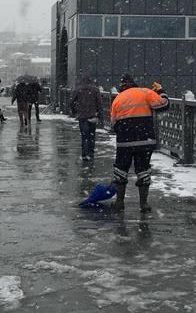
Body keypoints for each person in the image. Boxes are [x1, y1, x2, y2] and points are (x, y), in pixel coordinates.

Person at [110, 73, 169, 212]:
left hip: (125, 142)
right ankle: (144, 204)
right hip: (145, 139)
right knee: (143, 170)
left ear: (121, 87)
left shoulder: (118, 99)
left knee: (121, 170)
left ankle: (119, 202)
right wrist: (161, 91)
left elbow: (113, 125)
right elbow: (163, 105)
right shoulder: (146, 92)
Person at [70, 75, 103, 161]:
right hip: (92, 116)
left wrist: (75, 112)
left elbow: (71, 102)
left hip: (82, 116)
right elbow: (99, 104)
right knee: (91, 136)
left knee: (84, 136)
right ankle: (91, 154)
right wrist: (100, 116)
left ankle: (84, 154)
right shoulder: (95, 90)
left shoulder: (78, 89)